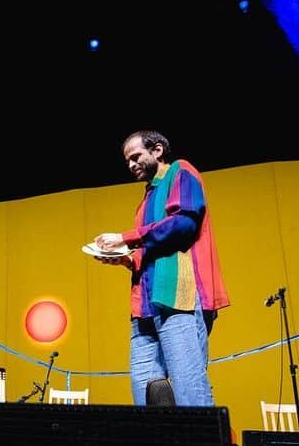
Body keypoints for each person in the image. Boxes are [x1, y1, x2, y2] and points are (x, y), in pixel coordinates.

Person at [94, 129, 229, 406]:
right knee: (145, 390)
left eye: (135, 157)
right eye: (127, 161)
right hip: (144, 306)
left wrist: (125, 237)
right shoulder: (146, 199)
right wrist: (125, 258)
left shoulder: (180, 171)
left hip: (178, 298)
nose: (131, 165)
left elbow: (183, 224)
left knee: (188, 388)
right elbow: (151, 249)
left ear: (156, 150)